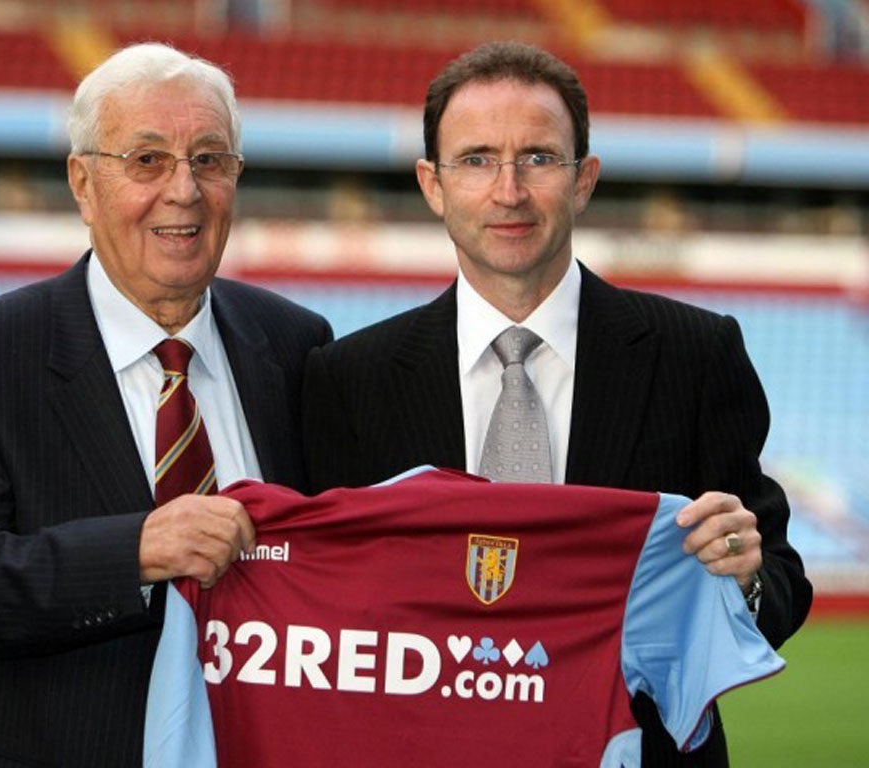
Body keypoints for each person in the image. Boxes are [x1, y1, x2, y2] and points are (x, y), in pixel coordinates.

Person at [302, 41, 811, 766]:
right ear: (432, 184)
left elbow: (778, 583)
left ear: (583, 180)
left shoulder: (695, 355)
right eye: (476, 159)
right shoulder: (349, 378)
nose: (508, 190)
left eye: (538, 158)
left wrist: (748, 576)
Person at [0, 43, 331, 767]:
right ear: (83, 183)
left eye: (210, 160)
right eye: (147, 160)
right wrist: (133, 553)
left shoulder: (296, 345)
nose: (184, 191)